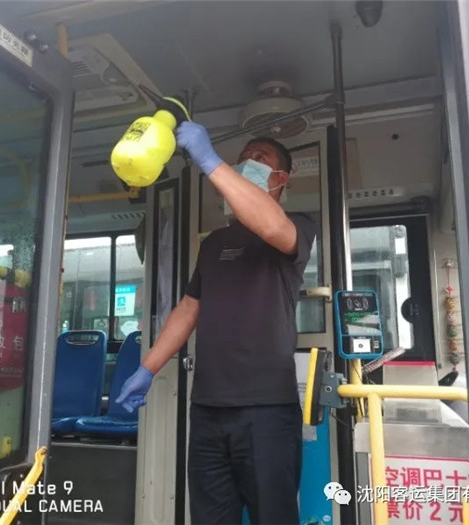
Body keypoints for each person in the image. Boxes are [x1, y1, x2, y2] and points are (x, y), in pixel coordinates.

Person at [115, 121, 317, 525]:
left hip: (267, 410)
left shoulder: (296, 225)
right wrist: (147, 368)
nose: (248, 162)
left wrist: (209, 160)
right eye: (243, 158)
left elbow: (271, 225)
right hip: (208, 408)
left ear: (281, 178)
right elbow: (189, 309)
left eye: (260, 158)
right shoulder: (213, 244)